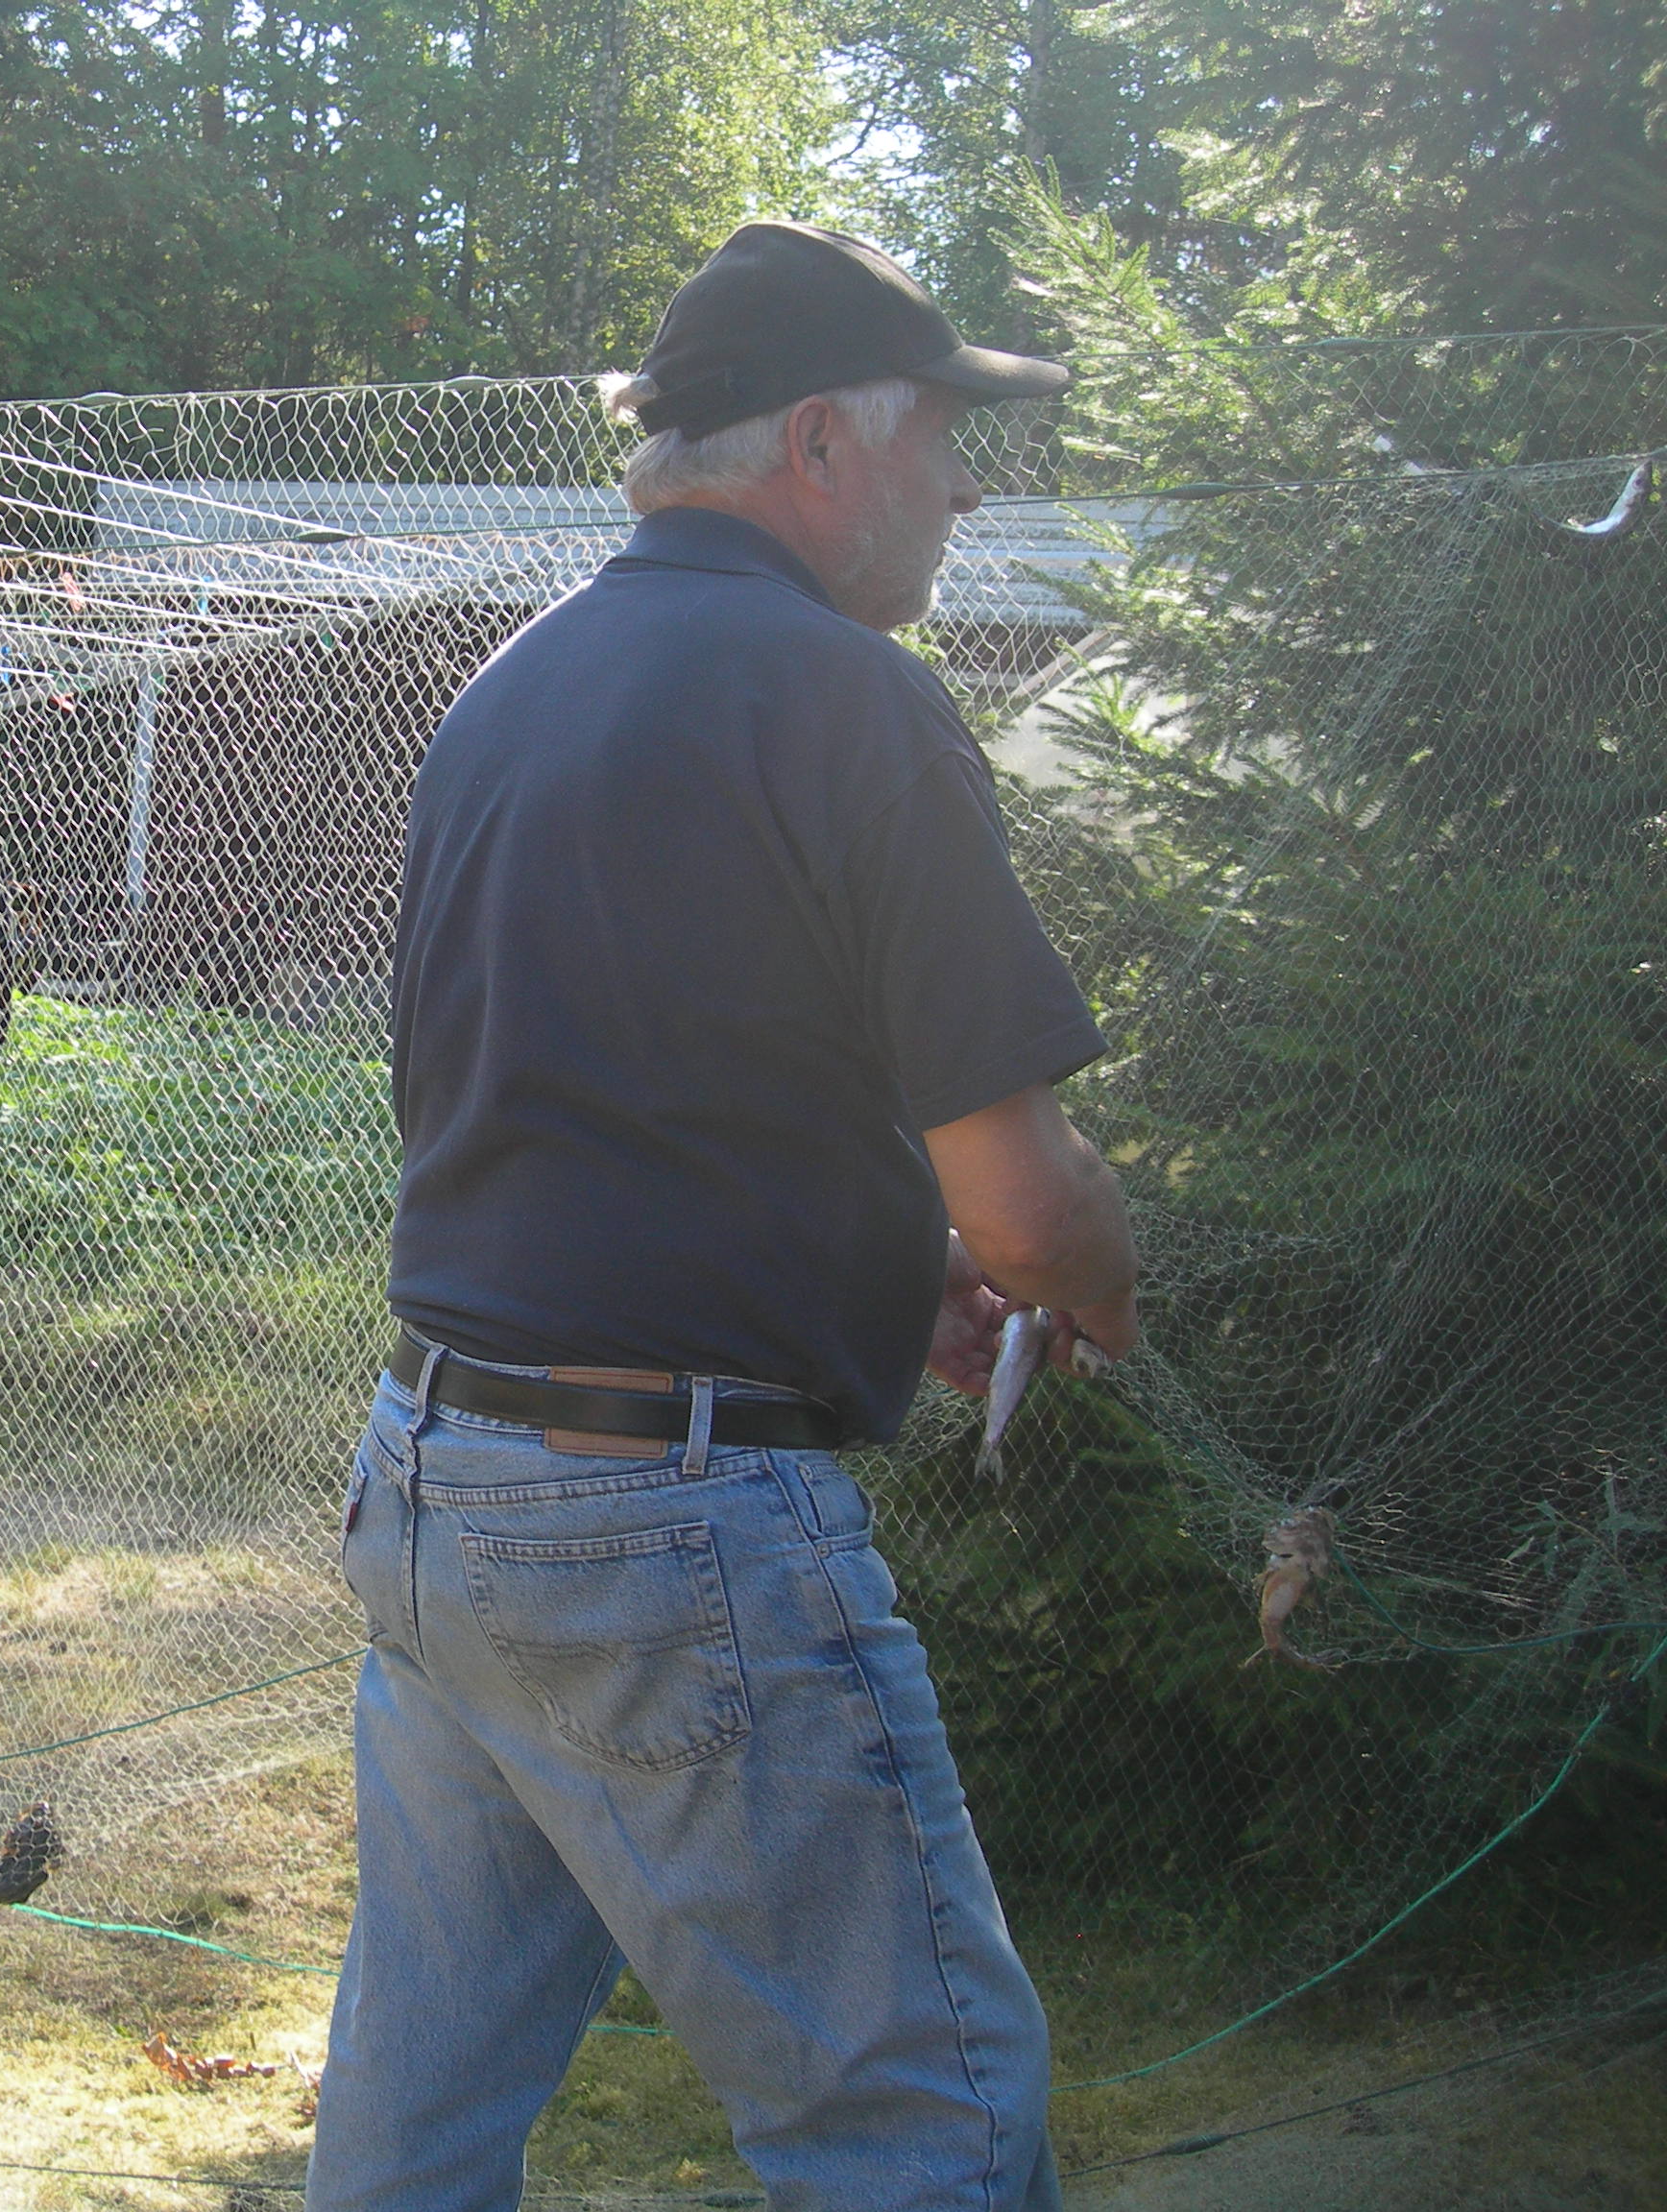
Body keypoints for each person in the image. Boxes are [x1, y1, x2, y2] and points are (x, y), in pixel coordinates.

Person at [306, 222, 1140, 2212]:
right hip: (665, 1531)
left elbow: (602, 1097)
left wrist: (867, 1259)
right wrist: (1088, 1285)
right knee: (921, 2122)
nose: (963, 486)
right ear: (827, 447)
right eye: (945, 439)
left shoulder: (518, 681)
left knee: (414, 2123)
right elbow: (1030, 1201)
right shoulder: (853, 699)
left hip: (437, 1486)